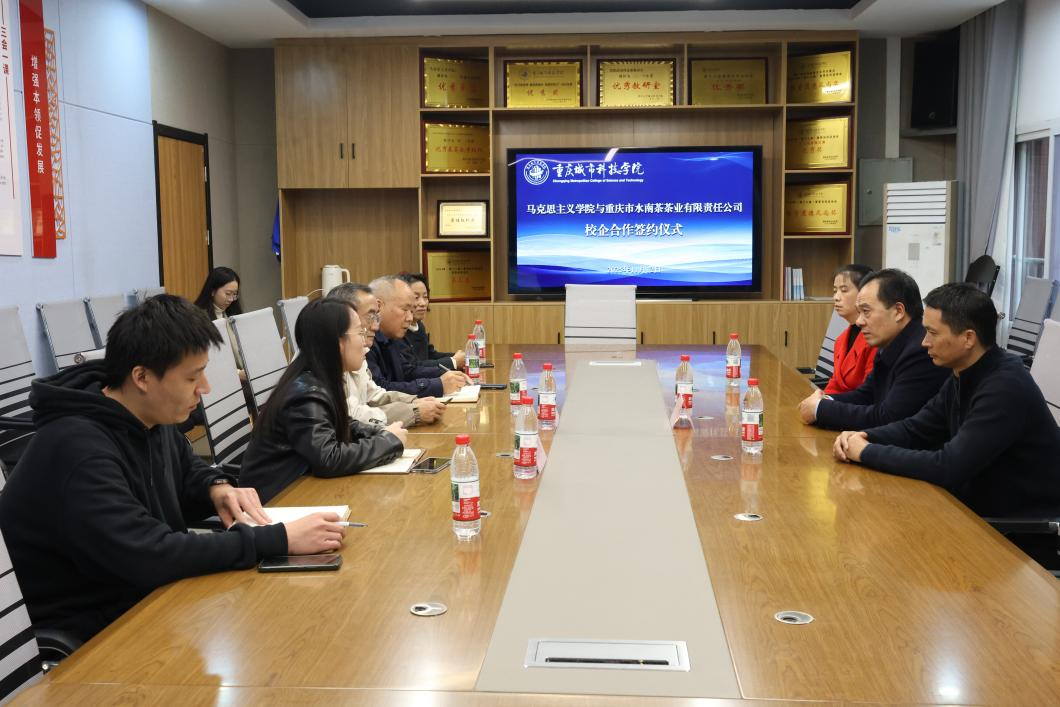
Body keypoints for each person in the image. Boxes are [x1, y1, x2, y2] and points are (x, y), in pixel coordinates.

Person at [0, 295, 345, 644]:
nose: (205, 388)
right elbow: (148, 554)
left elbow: (185, 469)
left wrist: (216, 487)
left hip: (147, 602)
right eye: (192, 377)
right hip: (90, 633)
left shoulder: (148, 415)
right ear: (142, 377)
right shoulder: (77, 449)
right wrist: (278, 539)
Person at [833, 283, 1060, 518]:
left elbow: (949, 466)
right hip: (975, 508)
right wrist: (863, 436)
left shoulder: (1005, 387)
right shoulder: (964, 371)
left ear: (968, 338)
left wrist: (866, 452)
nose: (924, 342)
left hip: (1017, 528)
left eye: (932, 333)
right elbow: (916, 429)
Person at [240, 298, 407, 503]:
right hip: (277, 502)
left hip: (300, 490)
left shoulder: (317, 377)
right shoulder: (305, 393)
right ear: (337, 342)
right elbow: (328, 458)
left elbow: (341, 423)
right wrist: (387, 442)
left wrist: (380, 433)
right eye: (360, 333)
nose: (365, 343)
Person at [798, 268, 948, 430]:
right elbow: (866, 395)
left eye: (866, 311)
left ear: (898, 311)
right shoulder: (890, 342)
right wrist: (824, 400)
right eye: (859, 312)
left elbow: (888, 417)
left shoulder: (921, 350)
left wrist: (820, 410)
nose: (859, 321)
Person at [327, 283, 446, 427]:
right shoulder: (324, 362)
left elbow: (374, 395)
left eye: (376, 316)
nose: (375, 325)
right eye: (370, 316)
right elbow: (351, 416)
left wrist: (413, 401)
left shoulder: (362, 349)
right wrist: (413, 411)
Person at [365, 275, 471, 398]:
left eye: (411, 311)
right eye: (405, 309)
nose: (410, 318)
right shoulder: (366, 340)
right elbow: (380, 390)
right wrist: (438, 384)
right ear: (379, 306)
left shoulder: (390, 336)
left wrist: (448, 376)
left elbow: (406, 371)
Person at [823, 264, 876, 394]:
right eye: (835, 291)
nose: (836, 297)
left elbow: (869, 394)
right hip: (839, 403)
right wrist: (821, 400)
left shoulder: (875, 339)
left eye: (844, 290)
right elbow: (835, 384)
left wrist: (824, 403)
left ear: (864, 293)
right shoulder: (840, 340)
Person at [399, 272, 466, 370]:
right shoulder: (397, 330)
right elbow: (413, 366)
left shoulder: (419, 326)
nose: (422, 303)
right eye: (416, 297)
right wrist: (453, 361)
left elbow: (430, 355)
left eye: (425, 297)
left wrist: (461, 357)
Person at [193, 266, 246, 381]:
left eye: (235, 294)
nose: (231, 299)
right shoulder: (198, 319)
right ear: (212, 291)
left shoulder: (231, 313)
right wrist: (237, 374)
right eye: (228, 293)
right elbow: (207, 361)